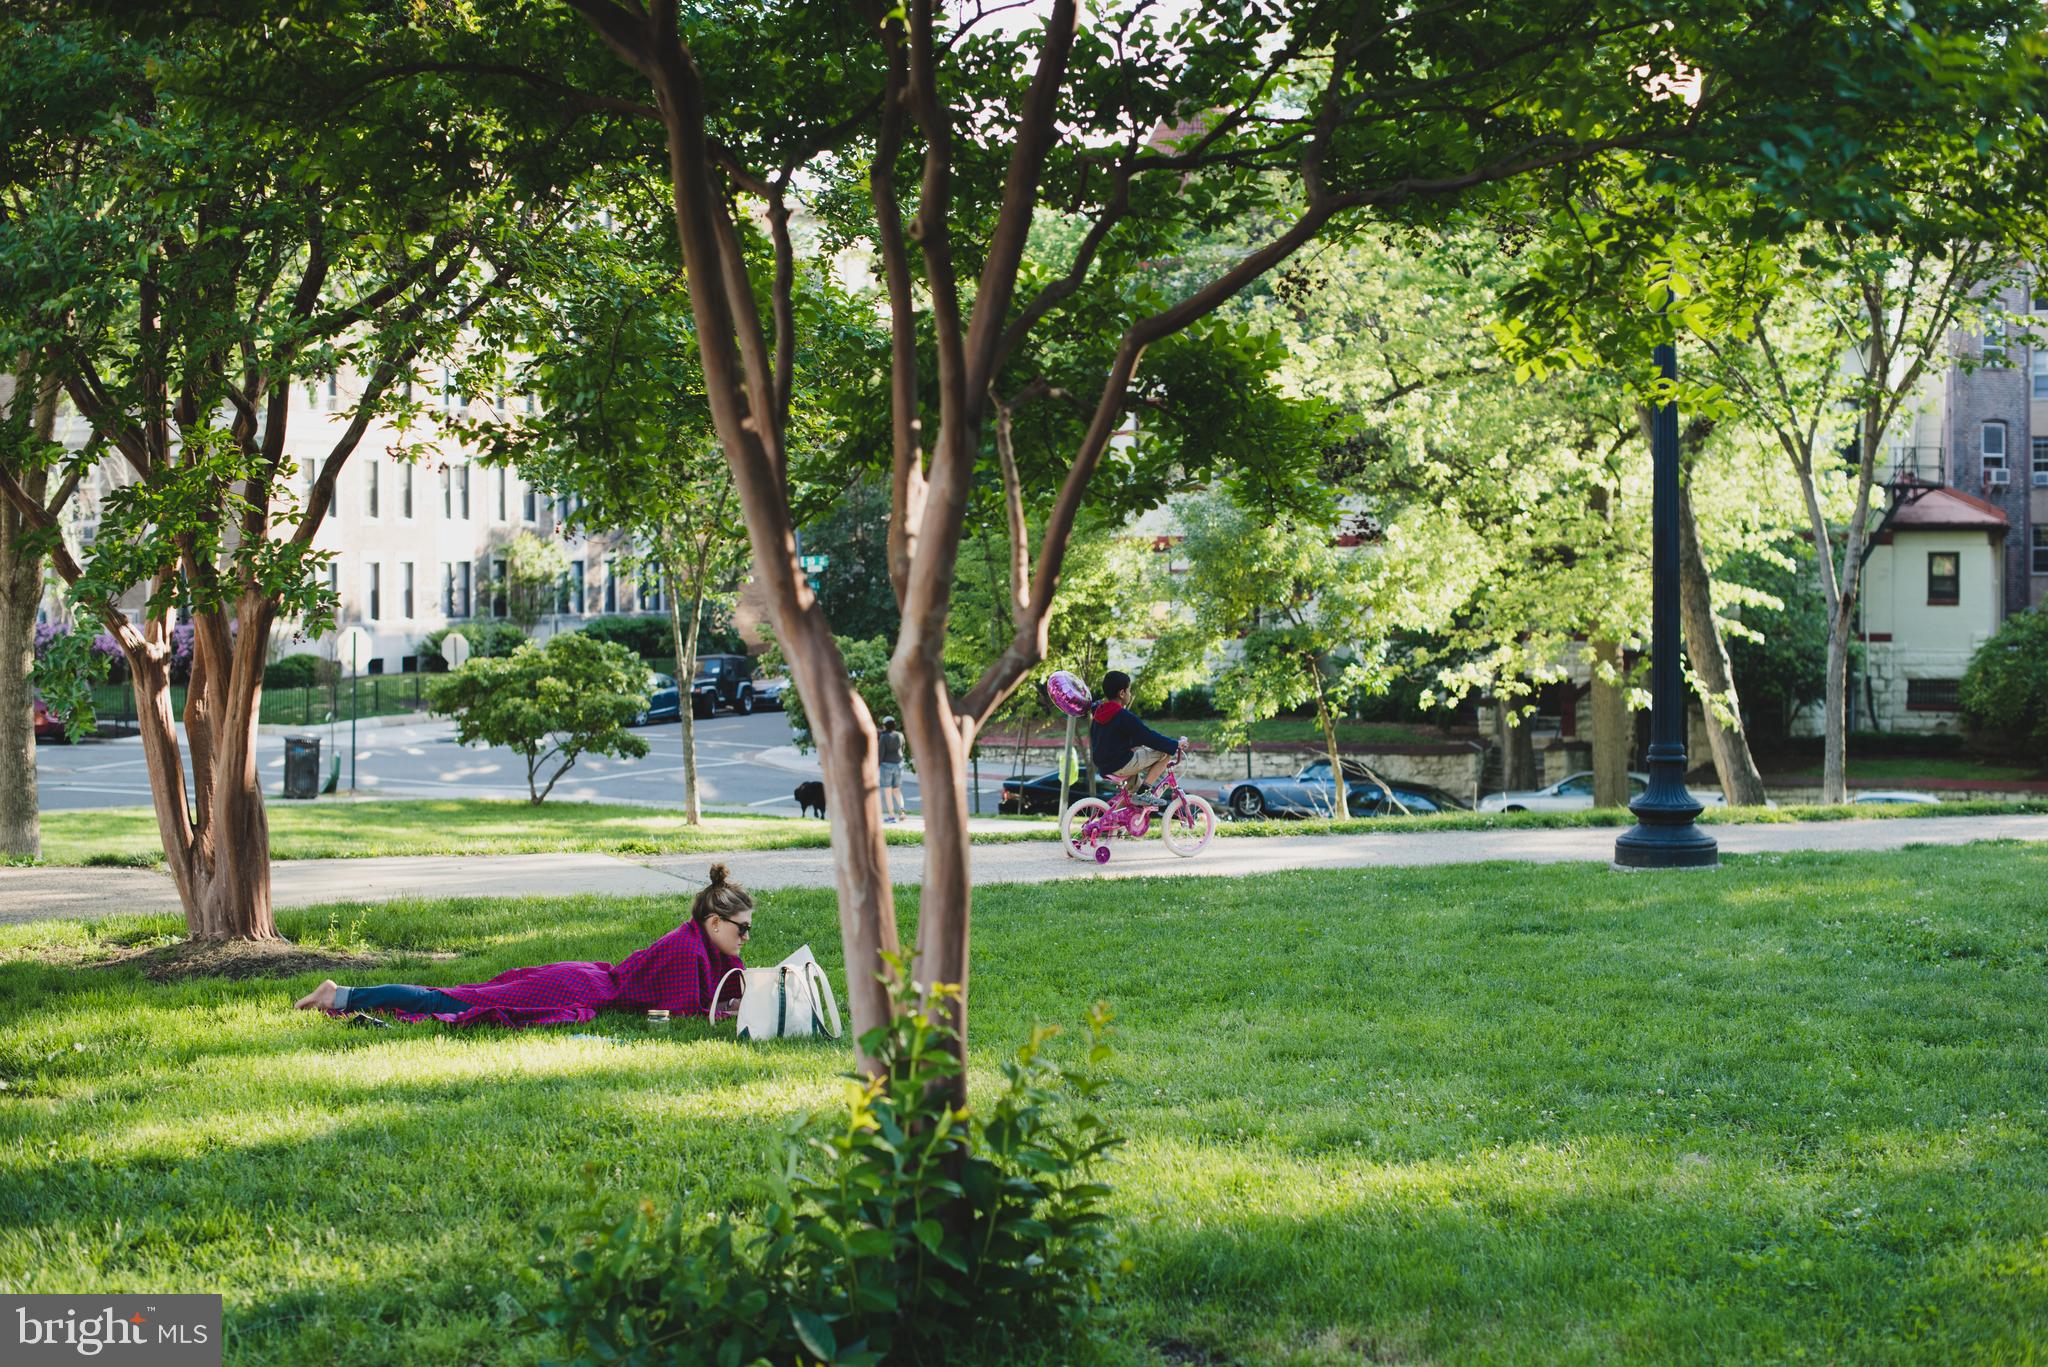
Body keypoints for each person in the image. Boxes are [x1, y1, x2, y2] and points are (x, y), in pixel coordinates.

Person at [293, 864, 754, 1027]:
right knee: (456, 999)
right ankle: (341, 995)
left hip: (586, 980)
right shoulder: (686, 949)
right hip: (578, 989)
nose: (746, 937)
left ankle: (347, 997)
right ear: (714, 922)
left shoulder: (702, 944)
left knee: (463, 995)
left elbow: (718, 992)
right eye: (742, 928)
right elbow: (680, 1009)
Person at [1088, 670, 1181, 802]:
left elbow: (1108, 739)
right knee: (1166, 753)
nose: (1130, 694)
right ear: (1122, 693)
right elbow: (1148, 737)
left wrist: (1133, 745)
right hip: (1121, 764)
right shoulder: (1123, 715)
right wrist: (1175, 744)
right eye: (1129, 690)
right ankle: (1145, 792)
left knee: (1134, 798)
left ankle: (1116, 819)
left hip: (1105, 767)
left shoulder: (1098, 714)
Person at [877, 715, 907, 823]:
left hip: (886, 766)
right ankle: (902, 811)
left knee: (887, 791)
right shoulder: (900, 735)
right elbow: (903, 748)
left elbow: (880, 753)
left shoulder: (883, 737)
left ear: (885, 725)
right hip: (899, 765)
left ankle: (891, 816)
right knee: (897, 790)